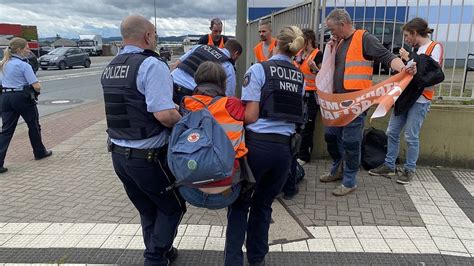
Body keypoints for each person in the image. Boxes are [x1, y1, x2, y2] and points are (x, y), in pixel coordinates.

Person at [100, 15, 185, 265]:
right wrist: (186, 122)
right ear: (147, 36)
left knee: (148, 208)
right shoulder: (151, 65)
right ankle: (155, 257)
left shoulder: (112, 66)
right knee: (173, 207)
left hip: (119, 156)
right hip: (148, 159)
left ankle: (162, 249)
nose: (156, 38)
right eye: (155, 34)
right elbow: (165, 114)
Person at [225, 26, 306, 266]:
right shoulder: (299, 75)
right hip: (284, 152)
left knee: (240, 205)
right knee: (263, 205)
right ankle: (257, 260)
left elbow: (250, 116)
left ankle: (233, 261)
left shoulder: (258, 69)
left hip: (256, 148)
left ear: (275, 44)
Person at [320, 9, 416, 196]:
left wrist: (404, 69)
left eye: (333, 29)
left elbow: (386, 57)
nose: (331, 34)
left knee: (350, 141)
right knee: (331, 137)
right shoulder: (338, 42)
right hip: (337, 102)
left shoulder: (364, 38)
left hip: (356, 103)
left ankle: (349, 181)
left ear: (343, 24)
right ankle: (337, 168)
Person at [368, 17, 443, 184]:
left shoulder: (434, 47)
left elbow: (429, 72)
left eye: (408, 35)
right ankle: (389, 165)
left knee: (411, 136)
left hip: (420, 99)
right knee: (392, 131)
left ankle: (410, 169)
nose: (406, 39)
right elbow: (412, 72)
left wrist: (410, 57)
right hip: (405, 97)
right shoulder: (417, 49)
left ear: (415, 33)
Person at [179, 61, 250, 209]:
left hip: (190, 191)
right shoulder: (232, 104)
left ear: (197, 81)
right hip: (226, 193)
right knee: (241, 207)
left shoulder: (186, 103)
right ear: (223, 83)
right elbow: (252, 117)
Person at [282, 28, 323, 200]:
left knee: (309, 124)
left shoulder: (317, 54)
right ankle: (299, 153)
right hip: (300, 92)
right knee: (300, 124)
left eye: (303, 40)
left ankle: (306, 154)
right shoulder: (299, 54)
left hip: (313, 93)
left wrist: (315, 69)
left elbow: (323, 75)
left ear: (309, 40)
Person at [0, 37, 52, 174]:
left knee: (6, 130)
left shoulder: (3, 64)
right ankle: (39, 152)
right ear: (19, 50)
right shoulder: (24, 65)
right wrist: (37, 88)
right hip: (22, 98)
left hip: (5, 98)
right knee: (33, 125)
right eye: (27, 48)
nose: (29, 50)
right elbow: (36, 86)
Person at [171, 39, 242, 103]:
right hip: (189, 96)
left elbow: (176, 64)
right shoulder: (228, 66)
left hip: (170, 85)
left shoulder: (201, 47)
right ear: (236, 54)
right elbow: (228, 97)